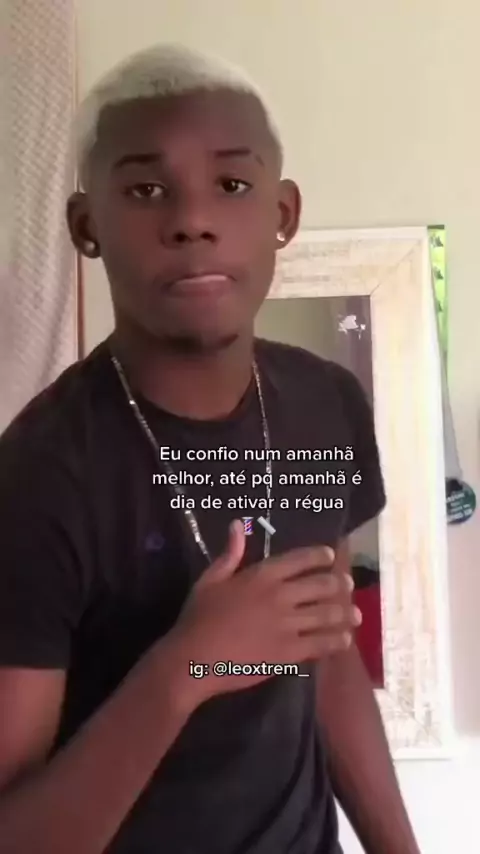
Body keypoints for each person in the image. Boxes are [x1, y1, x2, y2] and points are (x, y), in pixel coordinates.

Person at [0, 44, 421, 854]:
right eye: (145, 189)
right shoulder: (36, 480)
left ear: (282, 214)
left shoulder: (325, 404)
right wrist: (185, 668)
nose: (192, 220)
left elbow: (326, 659)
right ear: (86, 227)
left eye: (231, 185)